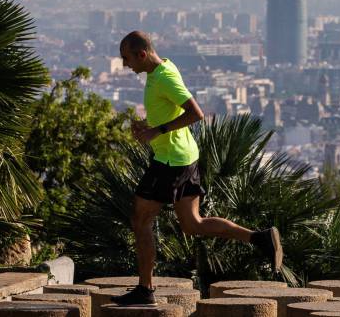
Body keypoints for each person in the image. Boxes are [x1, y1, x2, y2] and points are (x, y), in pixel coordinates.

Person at [111, 30, 282, 305]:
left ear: (141, 54)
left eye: (126, 58)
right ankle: (259, 238)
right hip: (183, 157)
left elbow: (196, 113)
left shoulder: (164, 77)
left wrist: (158, 131)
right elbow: (171, 112)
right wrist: (150, 127)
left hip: (170, 161)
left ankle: (145, 290)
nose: (125, 64)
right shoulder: (163, 68)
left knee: (140, 219)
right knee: (193, 224)